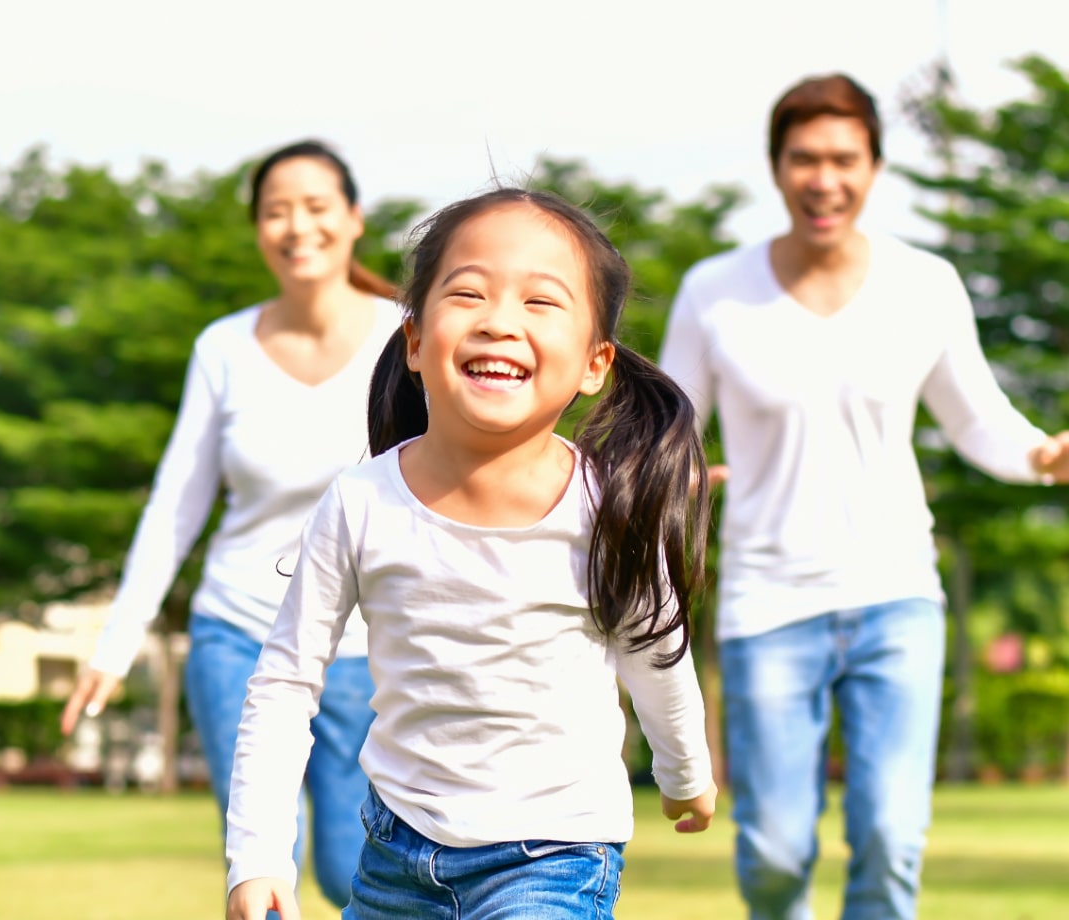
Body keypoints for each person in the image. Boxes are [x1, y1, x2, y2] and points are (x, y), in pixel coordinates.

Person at [657, 74, 1069, 920]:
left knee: (891, 839)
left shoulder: (925, 285)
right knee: (774, 851)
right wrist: (680, 478)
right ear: (775, 167)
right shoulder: (714, 292)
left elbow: (982, 424)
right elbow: (668, 434)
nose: (823, 179)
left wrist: (1050, 455)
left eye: (843, 158)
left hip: (897, 595)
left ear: (873, 167)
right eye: (804, 159)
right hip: (768, 600)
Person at [225, 188, 718, 920]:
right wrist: (259, 854)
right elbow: (286, 684)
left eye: (540, 302)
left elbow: (656, 653)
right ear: (417, 342)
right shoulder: (361, 503)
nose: (498, 322)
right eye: (468, 293)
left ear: (595, 363)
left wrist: (683, 770)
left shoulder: (611, 508)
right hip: (396, 855)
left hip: (554, 855)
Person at [58, 140, 398, 912]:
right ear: (258, 231)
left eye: (316, 207)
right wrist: (115, 644)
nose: (297, 226)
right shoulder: (223, 348)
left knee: (358, 867)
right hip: (240, 632)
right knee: (262, 862)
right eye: (276, 211)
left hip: (368, 645)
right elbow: (176, 505)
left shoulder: (404, 337)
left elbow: (483, 444)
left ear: (353, 220)